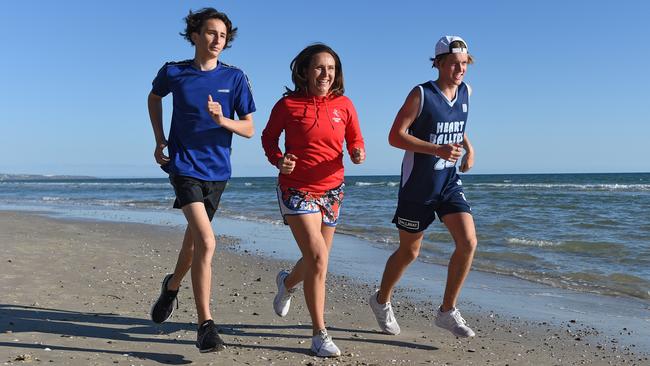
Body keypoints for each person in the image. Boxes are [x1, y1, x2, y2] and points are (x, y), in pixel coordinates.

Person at [146, 8, 255, 353]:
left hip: (217, 172)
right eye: (210, 33)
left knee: (193, 243)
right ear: (195, 35)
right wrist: (159, 138)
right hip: (183, 167)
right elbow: (154, 97)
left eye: (222, 36)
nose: (216, 40)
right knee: (207, 242)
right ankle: (205, 326)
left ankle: (172, 287)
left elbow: (250, 128)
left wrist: (224, 120)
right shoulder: (174, 72)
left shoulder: (235, 78)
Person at [369, 36, 478, 339]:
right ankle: (381, 301)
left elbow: (458, 124)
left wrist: (468, 149)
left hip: (448, 182)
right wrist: (437, 150)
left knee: (468, 242)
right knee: (409, 252)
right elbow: (395, 136)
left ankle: (447, 311)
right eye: (455, 62)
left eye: (465, 62)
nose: (461, 68)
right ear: (440, 63)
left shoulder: (466, 92)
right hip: (418, 185)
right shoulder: (421, 94)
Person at [261, 43, 365, 357]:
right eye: (319, 67)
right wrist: (279, 159)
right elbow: (268, 138)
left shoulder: (344, 105)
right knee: (319, 259)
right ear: (305, 70)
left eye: (331, 69)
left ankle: (287, 283)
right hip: (296, 190)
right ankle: (319, 334)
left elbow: (355, 137)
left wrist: (357, 151)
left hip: (332, 191)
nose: (325, 74)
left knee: (315, 261)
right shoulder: (288, 104)